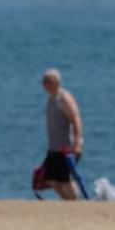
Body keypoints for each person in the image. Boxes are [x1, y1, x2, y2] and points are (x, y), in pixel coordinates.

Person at [42, 68, 85, 200]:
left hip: (66, 147)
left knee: (66, 179)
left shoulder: (64, 98)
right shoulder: (51, 99)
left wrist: (77, 143)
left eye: (46, 81)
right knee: (49, 178)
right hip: (54, 147)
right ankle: (69, 201)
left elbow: (76, 119)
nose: (43, 85)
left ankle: (74, 204)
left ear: (54, 82)